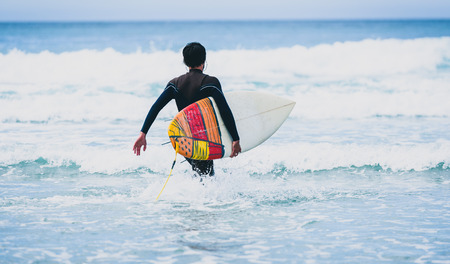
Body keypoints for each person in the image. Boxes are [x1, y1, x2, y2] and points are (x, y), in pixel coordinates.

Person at [133, 42, 241, 176]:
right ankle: (200, 196)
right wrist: (235, 138)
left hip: (184, 140)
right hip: (205, 138)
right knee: (206, 176)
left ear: (185, 61)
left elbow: (156, 107)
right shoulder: (210, 83)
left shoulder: (174, 84)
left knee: (202, 174)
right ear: (204, 60)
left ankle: (190, 195)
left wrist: (143, 133)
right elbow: (224, 111)